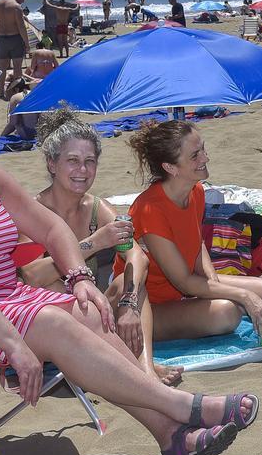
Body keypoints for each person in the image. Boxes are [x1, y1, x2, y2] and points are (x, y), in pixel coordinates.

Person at [0, 59, 258, 455]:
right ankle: (186, 407)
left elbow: (49, 226)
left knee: (89, 306)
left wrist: (80, 278)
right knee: (52, 320)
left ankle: (171, 437)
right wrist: (13, 343)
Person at [18, 107, 183, 387]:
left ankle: (144, 373)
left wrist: (129, 304)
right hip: (47, 322)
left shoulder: (96, 208)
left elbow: (137, 256)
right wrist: (96, 242)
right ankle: (137, 368)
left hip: (92, 312)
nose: (82, 170)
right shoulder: (32, 212)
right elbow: (30, 276)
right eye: (72, 160)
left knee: (130, 281)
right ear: (52, 164)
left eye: (89, 161)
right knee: (58, 288)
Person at [117, 121, 262, 340]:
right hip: (150, 303)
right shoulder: (150, 209)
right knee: (226, 313)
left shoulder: (195, 191)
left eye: (203, 149)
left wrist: (212, 281)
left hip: (187, 288)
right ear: (170, 168)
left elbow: (197, 244)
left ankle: (215, 306)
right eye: (195, 155)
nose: (205, 158)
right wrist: (242, 296)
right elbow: (183, 282)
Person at [0, 0, 28, 101]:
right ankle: (17, 92)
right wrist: (27, 43)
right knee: (17, 66)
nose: (23, 1)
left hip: (2, 38)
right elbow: (21, 26)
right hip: (15, 38)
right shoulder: (16, 7)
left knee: (2, 67)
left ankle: (1, 91)